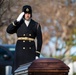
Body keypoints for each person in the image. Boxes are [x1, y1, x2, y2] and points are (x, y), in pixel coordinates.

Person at [6, 5, 42, 73]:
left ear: (31, 14)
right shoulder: (18, 24)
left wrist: (37, 54)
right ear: (23, 14)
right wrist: (16, 21)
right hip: (20, 53)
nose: (27, 15)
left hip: (30, 53)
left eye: (29, 13)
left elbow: (39, 40)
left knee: (30, 72)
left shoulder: (36, 25)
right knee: (18, 72)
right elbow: (8, 30)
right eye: (25, 13)